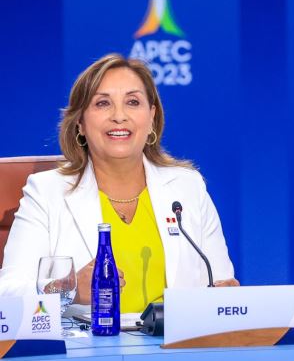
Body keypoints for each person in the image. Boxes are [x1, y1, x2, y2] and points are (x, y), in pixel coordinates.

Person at [0, 54, 238, 313]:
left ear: (152, 117)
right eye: (103, 103)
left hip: (177, 339)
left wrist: (224, 297)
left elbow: (220, 284)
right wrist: (68, 289)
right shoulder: (47, 192)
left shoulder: (188, 188)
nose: (119, 116)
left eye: (133, 102)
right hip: (88, 339)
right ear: (80, 123)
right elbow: (8, 294)